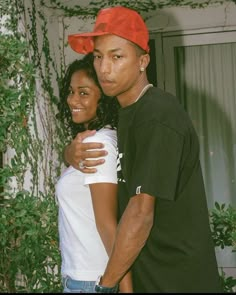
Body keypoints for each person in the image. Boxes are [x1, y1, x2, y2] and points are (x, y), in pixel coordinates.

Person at [65, 6, 223, 293]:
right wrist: (69, 153)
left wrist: (106, 285)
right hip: (152, 279)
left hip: (177, 281)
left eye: (117, 56)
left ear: (143, 61)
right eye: (99, 57)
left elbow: (140, 213)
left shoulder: (157, 114)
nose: (104, 68)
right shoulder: (130, 113)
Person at [55, 53, 132, 293]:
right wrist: (68, 153)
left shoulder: (99, 145)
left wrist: (126, 288)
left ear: (103, 98)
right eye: (71, 91)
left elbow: (109, 225)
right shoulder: (99, 139)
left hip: (91, 281)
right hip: (83, 277)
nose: (72, 99)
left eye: (84, 92)